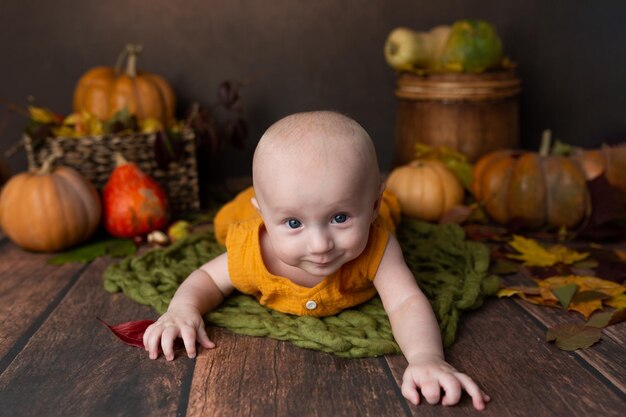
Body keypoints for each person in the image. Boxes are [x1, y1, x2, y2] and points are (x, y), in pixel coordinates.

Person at [143, 111, 490, 410]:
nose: (320, 244)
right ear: (264, 219)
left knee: (398, 212)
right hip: (258, 210)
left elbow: (405, 301)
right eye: (294, 223)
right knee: (225, 222)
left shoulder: (377, 245)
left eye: (340, 217)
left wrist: (426, 358)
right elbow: (206, 279)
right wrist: (181, 309)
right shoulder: (253, 252)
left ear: (372, 207)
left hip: (373, 207)